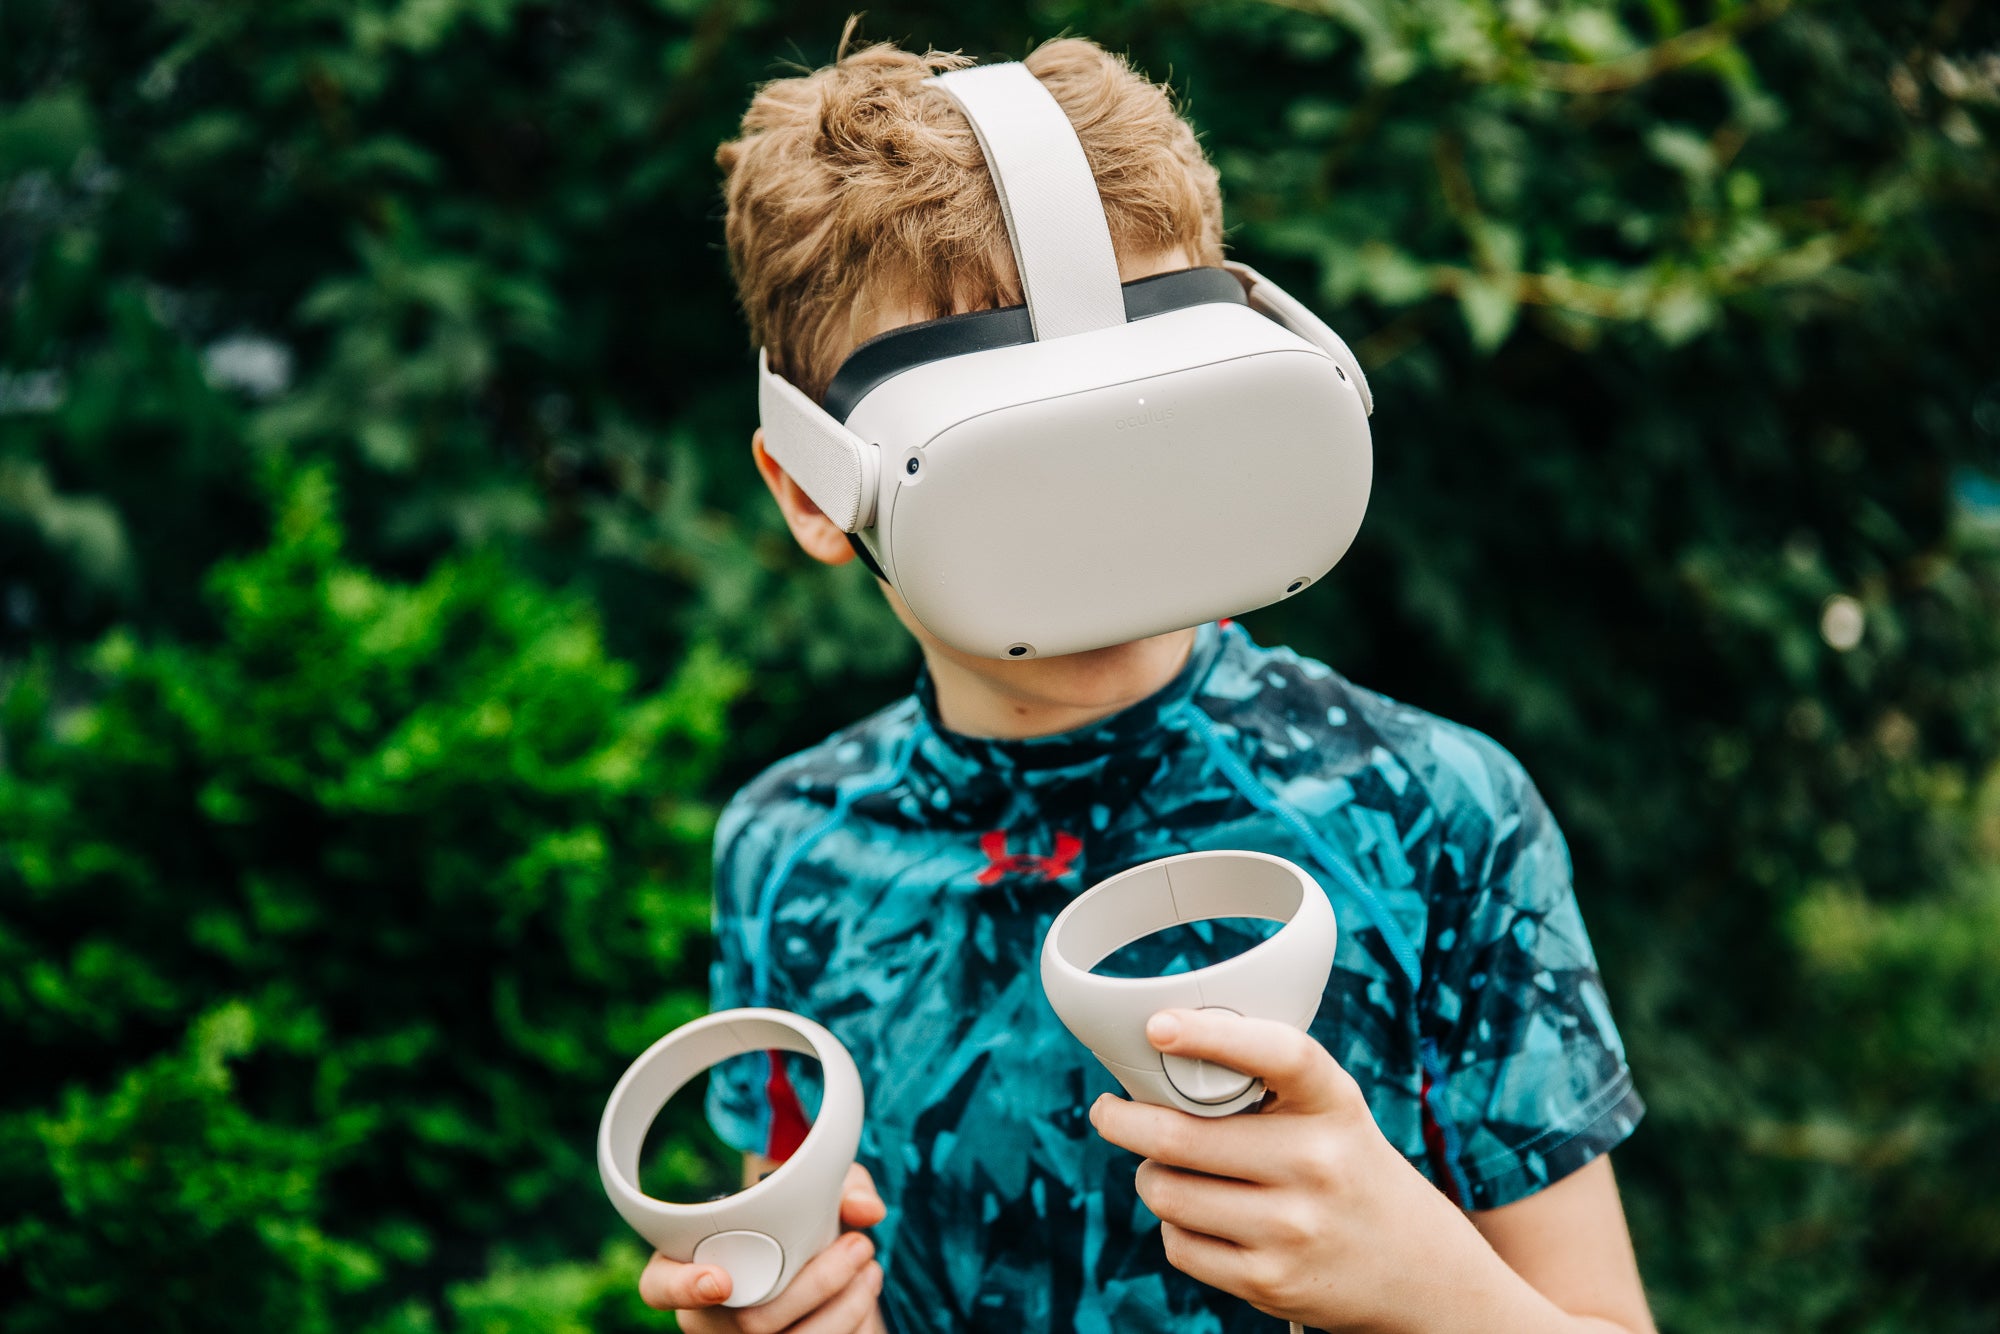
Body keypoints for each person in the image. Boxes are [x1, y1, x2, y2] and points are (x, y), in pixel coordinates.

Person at [640, 29, 1655, 1334]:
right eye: (1011, 457)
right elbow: (805, 1257)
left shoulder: (1433, 813)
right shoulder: (790, 857)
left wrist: (1424, 1285)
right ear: (811, 489)